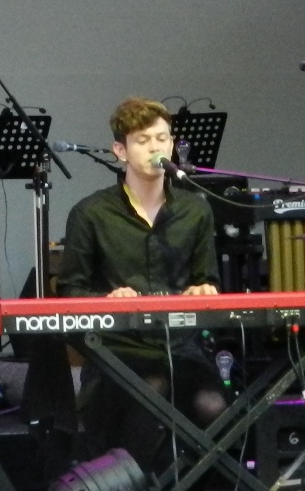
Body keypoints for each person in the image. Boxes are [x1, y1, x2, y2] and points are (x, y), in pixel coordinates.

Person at [56, 98, 220, 468]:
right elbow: (70, 290)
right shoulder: (91, 213)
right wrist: (107, 298)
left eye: (162, 138)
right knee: (151, 392)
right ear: (120, 151)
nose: (154, 147)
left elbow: (206, 278)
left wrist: (204, 289)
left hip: (181, 347)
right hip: (119, 350)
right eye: (143, 140)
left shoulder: (195, 209)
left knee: (215, 407)